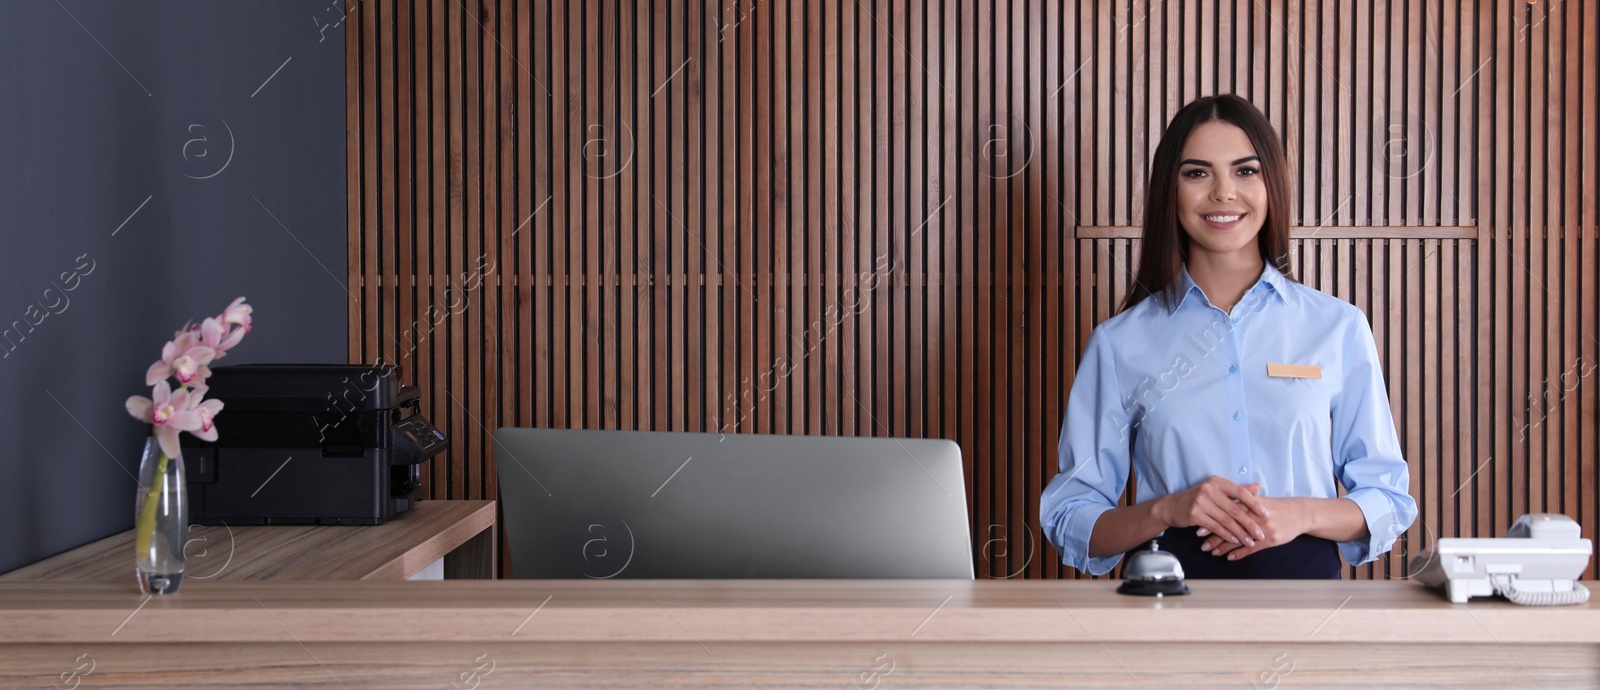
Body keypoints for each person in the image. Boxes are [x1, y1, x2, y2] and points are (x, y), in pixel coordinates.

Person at [1039, 94, 1417, 579]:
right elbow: (1069, 515)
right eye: (1197, 173)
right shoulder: (1119, 344)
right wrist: (1167, 510)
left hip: (1309, 608)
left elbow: (1387, 498)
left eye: (1246, 171)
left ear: (1271, 184)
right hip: (1166, 608)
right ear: (1169, 191)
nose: (1223, 193)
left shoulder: (1337, 327)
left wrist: (1300, 514)